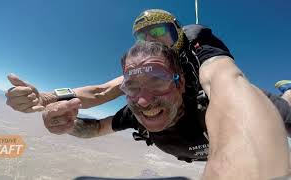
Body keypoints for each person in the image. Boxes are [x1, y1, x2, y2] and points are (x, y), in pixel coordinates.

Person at [5, 9, 291, 133]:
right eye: (144, 39)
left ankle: (288, 92)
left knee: (285, 119)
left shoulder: (198, 47)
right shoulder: (147, 68)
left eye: (160, 34)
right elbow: (102, 91)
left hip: (221, 94)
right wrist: (47, 97)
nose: (153, 44)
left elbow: (224, 76)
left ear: (178, 32)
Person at [42, 41, 290, 179]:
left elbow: (246, 131)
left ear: (181, 84)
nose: (143, 102)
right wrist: (67, 125)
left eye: (158, 82)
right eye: (132, 87)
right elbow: (95, 129)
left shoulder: (212, 104)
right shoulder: (134, 115)